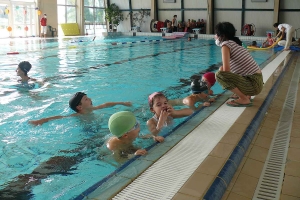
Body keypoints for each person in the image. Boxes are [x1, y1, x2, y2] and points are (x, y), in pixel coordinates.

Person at [214, 22, 263, 107]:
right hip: (256, 82)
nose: (215, 36)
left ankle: (244, 98)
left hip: (253, 84)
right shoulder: (235, 43)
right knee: (222, 69)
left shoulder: (226, 45)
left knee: (219, 74)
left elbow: (226, 71)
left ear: (221, 35)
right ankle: (246, 94)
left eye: (216, 34)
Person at [29, 92, 132, 125]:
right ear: (79, 107)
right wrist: (41, 121)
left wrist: (122, 103)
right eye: (86, 99)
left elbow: (107, 104)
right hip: (87, 131)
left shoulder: (94, 109)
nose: (90, 99)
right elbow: (59, 117)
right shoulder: (77, 116)